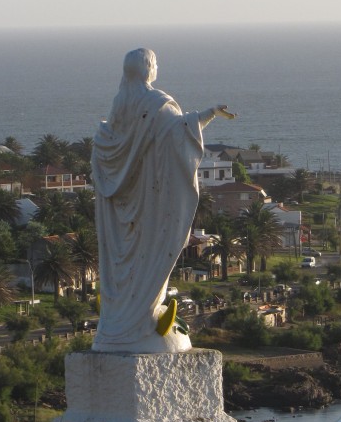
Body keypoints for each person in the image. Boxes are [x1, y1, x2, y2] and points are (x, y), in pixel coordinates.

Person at [91, 48, 235, 353]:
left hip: (123, 208)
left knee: (127, 264)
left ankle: (120, 322)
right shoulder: (157, 103)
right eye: (155, 64)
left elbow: (105, 145)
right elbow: (179, 133)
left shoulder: (120, 105)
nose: (157, 68)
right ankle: (142, 321)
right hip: (151, 205)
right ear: (147, 69)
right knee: (152, 256)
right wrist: (208, 114)